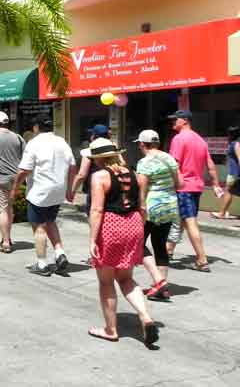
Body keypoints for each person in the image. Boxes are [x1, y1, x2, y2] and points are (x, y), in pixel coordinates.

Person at [85, 138, 159, 347]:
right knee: (126, 278)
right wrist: (139, 230)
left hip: (110, 226)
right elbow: (142, 207)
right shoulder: (136, 175)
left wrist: (92, 239)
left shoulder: (99, 176)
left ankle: (110, 329)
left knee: (106, 281)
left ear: (98, 159)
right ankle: (145, 316)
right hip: (134, 224)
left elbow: (97, 209)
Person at [12, 115, 76, 276]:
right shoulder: (62, 141)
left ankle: (42, 264)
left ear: (36, 127)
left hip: (39, 192)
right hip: (58, 191)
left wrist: (15, 188)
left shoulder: (34, 143)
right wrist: (70, 189)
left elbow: (24, 170)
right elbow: (73, 166)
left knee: (39, 227)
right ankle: (60, 253)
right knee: (50, 222)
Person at [165, 110, 220, 272]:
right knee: (181, 220)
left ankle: (202, 260)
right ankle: (168, 251)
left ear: (184, 121)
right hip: (196, 187)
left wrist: (168, 184)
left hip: (184, 187)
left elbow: (173, 165)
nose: (173, 122)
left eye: (175, 120)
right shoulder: (200, 140)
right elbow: (210, 165)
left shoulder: (179, 138)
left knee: (190, 221)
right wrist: (216, 184)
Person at [135, 130, 182, 301]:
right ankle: (161, 287)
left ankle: (159, 281)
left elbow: (142, 188)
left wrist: (140, 208)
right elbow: (180, 183)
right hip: (170, 205)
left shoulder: (144, 162)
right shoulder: (169, 158)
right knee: (160, 245)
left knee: (137, 241)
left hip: (152, 207)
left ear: (142, 144)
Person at [0, 112, 25, 254]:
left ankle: (6, 242)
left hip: (0, 179)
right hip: (16, 178)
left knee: (2, 209)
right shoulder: (18, 138)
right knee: (9, 208)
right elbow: (25, 159)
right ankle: (8, 237)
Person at [70, 124, 111, 215]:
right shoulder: (113, 149)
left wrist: (72, 191)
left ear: (93, 136)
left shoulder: (90, 152)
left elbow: (81, 175)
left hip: (96, 189)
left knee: (96, 216)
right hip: (114, 188)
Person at [213, 126, 240, 220]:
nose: (228, 135)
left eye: (230, 133)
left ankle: (222, 213)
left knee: (228, 192)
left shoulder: (236, 144)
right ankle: (223, 212)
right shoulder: (232, 144)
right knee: (229, 191)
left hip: (235, 173)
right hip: (233, 172)